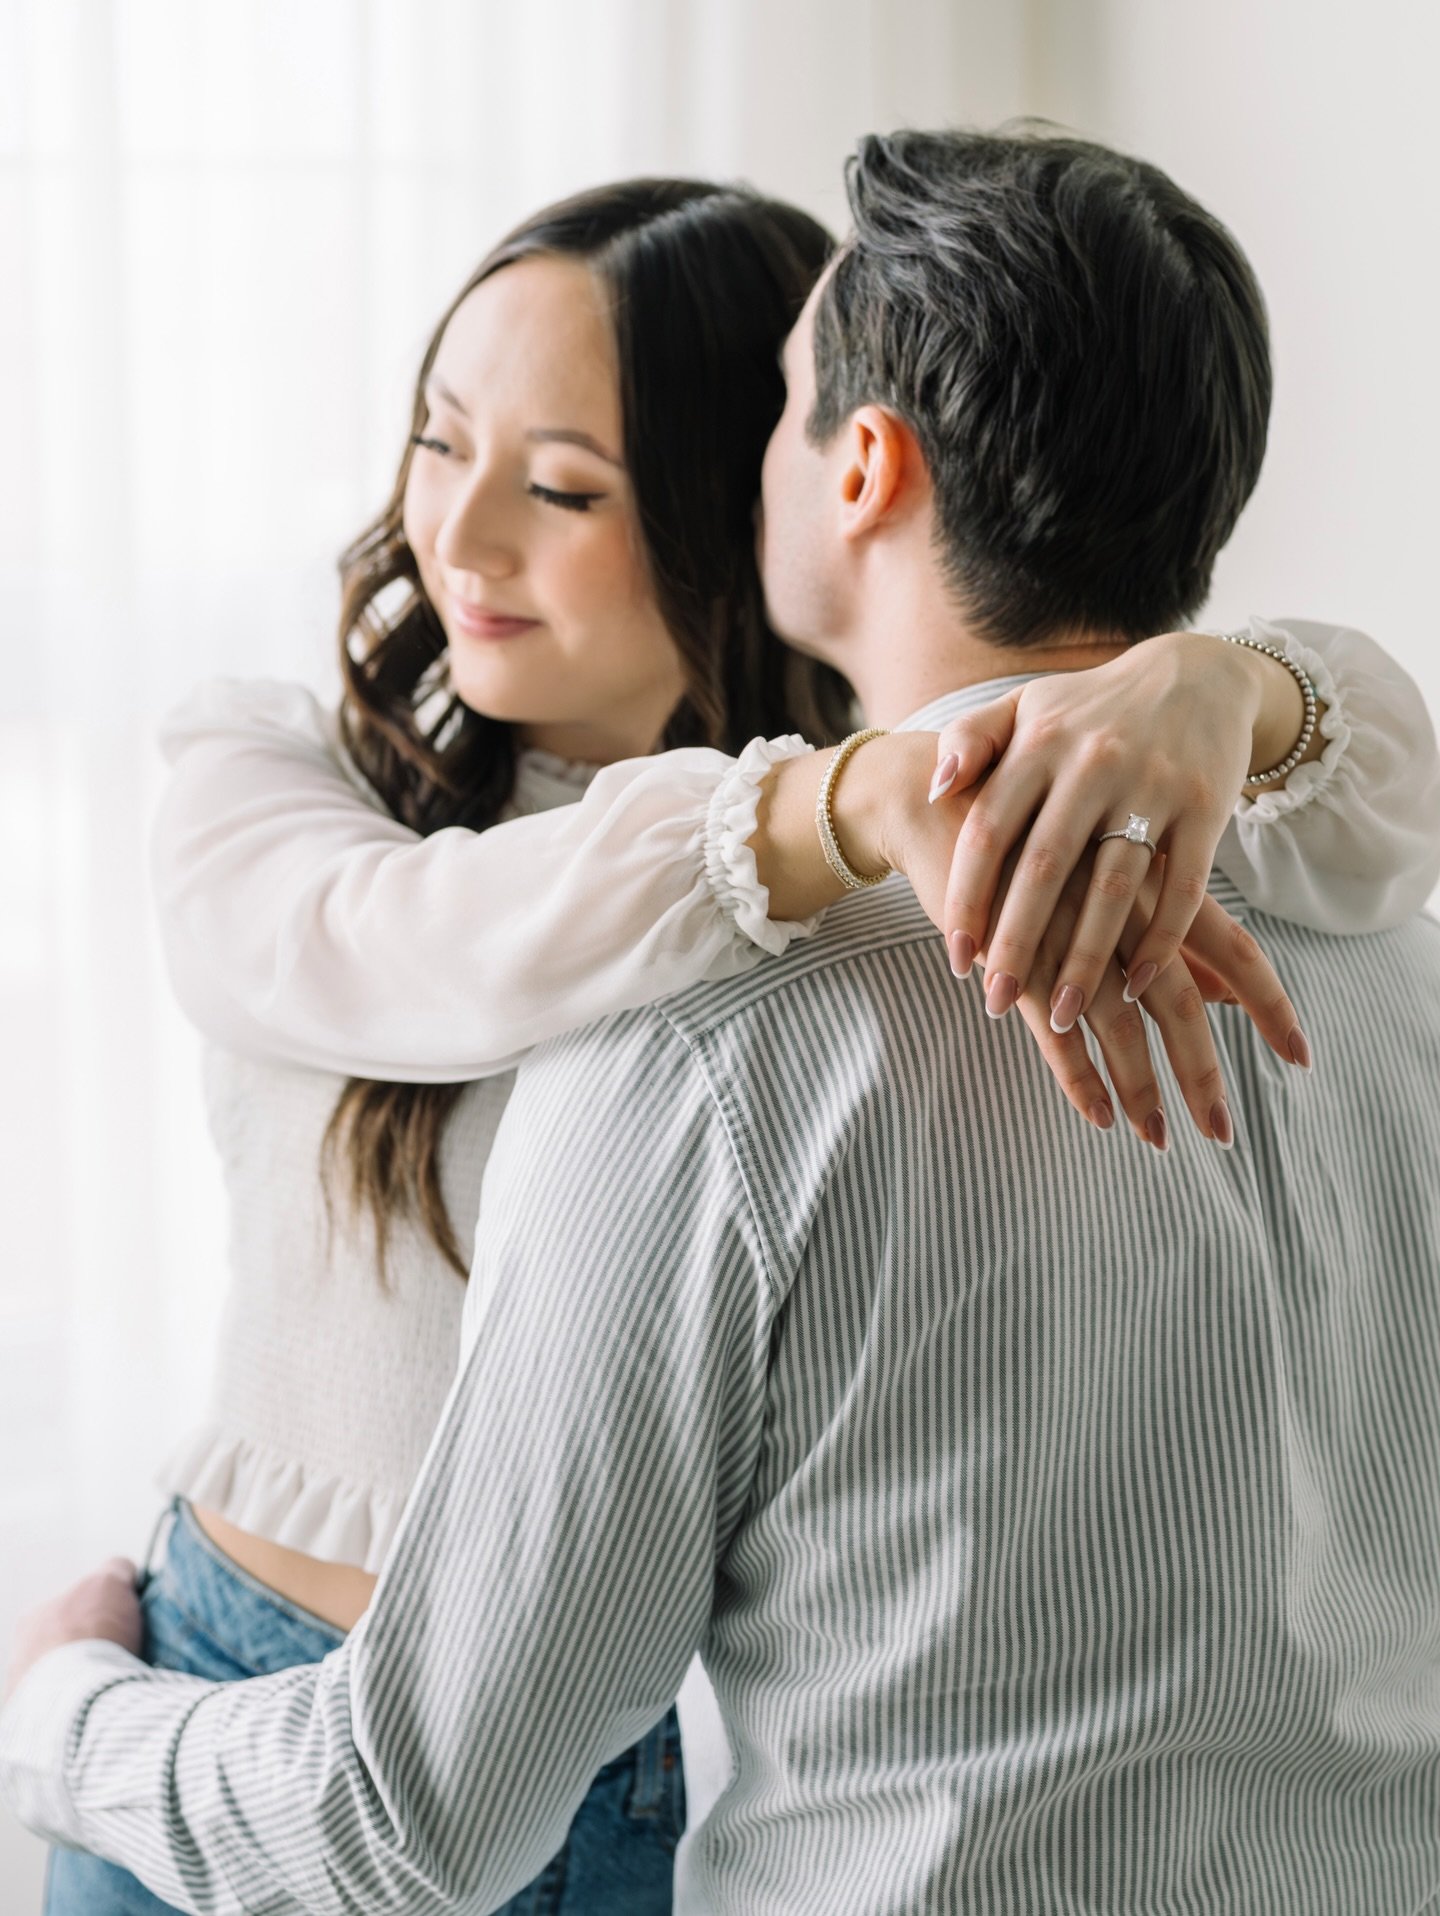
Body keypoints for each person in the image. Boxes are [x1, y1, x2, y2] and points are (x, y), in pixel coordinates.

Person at [5, 128, 1440, 1914]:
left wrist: (51, 1713)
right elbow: (380, 934)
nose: (457, 528)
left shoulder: (709, 1051)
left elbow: (410, 1809)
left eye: (576, 483)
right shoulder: (1392, 961)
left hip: (427, 1783)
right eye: (439, 439)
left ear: (855, 469)